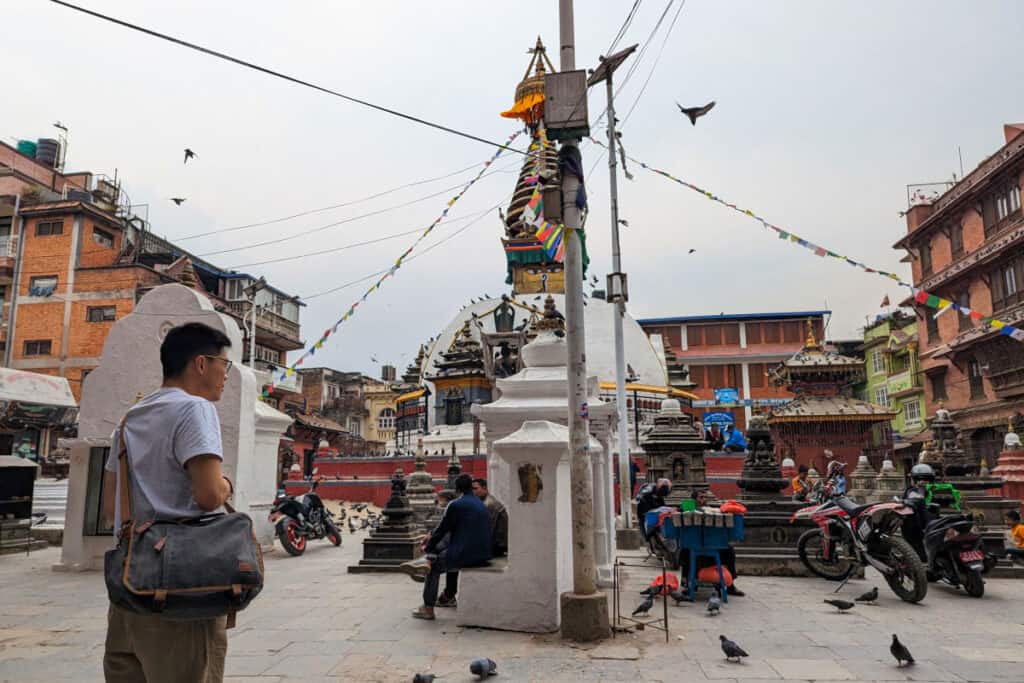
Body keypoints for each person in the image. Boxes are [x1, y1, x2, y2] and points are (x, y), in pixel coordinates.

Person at [102, 322, 235, 683]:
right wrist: (226, 484)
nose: (226, 375)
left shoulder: (129, 420)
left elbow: (111, 509)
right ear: (201, 364)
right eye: (226, 364)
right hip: (180, 591)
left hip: (129, 587)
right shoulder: (195, 409)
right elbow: (208, 496)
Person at [412, 474, 491, 620]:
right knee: (447, 552)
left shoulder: (456, 505)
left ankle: (428, 608)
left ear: (457, 489)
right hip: (484, 553)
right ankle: (448, 594)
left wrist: (429, 548)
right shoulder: (481, 504)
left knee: (433, 568)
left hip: (466, 554)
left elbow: (442, 529)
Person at [681, 490, 745, 597]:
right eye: (701, 497)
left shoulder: (711, 510)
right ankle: (688, 584)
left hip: (711, 543)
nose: (703, 500)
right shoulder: (688, 507)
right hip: (695, 543)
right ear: (694, 499)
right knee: (685, 551)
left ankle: (730, 585)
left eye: (705, 497)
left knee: (729, 552)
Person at [472, 478, 508, 557]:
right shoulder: (486, 501)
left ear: (484, 488)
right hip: (495, 544)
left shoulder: (489, 504)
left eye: (475, 488)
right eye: (472, 489)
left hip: (497, 546)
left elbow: (489, 529)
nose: (473, 492)